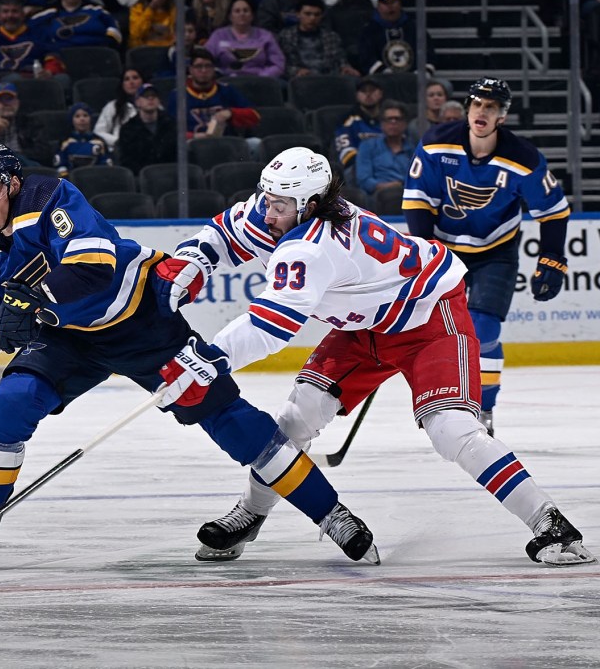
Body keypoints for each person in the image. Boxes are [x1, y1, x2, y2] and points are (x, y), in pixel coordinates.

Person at [0, 140, 380, 570]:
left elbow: (94, 267)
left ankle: (329, 512)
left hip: (142, 319)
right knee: (6, 406)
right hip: (69, 338)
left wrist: (30, 297)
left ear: (12, 183)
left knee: (228, 418)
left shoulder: (50, 197)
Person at [157, 146, 594, 567]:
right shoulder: (281, 209)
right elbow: (222, 232)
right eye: (267, 199)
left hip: (429, 315)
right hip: (365, 325)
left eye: (280, 206)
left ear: (309, 205)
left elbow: (270, 328)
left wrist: (210, 358)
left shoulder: (309, 247)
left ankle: (550, 523)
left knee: (452, 429)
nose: (268, 214)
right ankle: (252, 513)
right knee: (296, 416)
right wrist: (192, 260)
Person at [403, 77, 572, 437]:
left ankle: (483, 410)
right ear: (468, 108)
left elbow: (554, 211)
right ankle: (441, 400)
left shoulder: (523, 159)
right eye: (478, 104)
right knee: (433, 333)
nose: (483, 111)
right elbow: (418, 200)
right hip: (445, 251)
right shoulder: (435, 145)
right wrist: (424, 251)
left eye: (491, 107)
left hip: (496, 250)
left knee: (484, 330)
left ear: (502, 117)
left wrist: (553, 257)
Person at [166, 48, 260, 145]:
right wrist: (193, 136)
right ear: (190, 70)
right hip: (193, 145)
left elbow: (255, 115)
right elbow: (169, 132)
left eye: (208, 66)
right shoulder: (178, 95)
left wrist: (231, 113)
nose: (204, 70)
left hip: (226, 144)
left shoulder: (226, 90)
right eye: (198, 66)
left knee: (255, 143)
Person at [0, 0, 68, 88]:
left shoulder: (38, 33)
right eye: (5, 12)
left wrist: (48, 71)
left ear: (22, 15)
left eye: (15, 11)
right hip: (4, 80)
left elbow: (52, 55)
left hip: (35, 77)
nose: (10, 16)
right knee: (15, 79)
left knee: (63, 79)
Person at [277, 0, 360, 79]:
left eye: (317, 15)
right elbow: (281, 63)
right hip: (300, 80)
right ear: (298, 14)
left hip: (329, 79)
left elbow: (341, 59)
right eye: (307, 14)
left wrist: (346, 67)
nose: (312, 18)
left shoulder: (331, 36)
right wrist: (296, 71)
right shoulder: (285, 36)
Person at [357, 0, 435, 75]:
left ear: (400, 4)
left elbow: (428, 53)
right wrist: (386, 74)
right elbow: (366, 58)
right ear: (378, 7)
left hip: (413, 79)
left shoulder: (413, 28)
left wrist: (421, 73)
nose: (390, 7)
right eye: (385, 3)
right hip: (380, 82)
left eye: (393, 2)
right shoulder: (369, 31)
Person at [354, 99, 413, 209]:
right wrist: (387, 187)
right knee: (391, 196)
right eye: (389, 119)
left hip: (407, 195)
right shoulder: (367, 146)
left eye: (397, 119)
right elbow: (364, 180)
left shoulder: (413, 149)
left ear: (405, 124)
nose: (393, 122)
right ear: (382, 124)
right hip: (378, 196)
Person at [204, 0, 285, 79]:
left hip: (259, 82)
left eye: (245, 11)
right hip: (226, 81)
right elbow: (205, 59)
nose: (242, 14)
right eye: (237, 11)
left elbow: (278, 64)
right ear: (230, 16)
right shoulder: (218, 35)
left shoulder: (265, 36)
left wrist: (263, 77)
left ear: (252, 16)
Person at [30, 0, 123, 51]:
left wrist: (106, 47)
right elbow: (28, 35)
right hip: (61, 60)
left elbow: (115, 30)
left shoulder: (97, 10)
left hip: (96, 57)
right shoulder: (46, 14)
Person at [117, 82, 177, 175]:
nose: (150, 98)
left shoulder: (171, 124)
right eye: (146, 96)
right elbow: (127, 161)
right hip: (141, 178)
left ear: (159, 101)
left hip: (170, 175)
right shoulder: (128, 129)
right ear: (137, 102)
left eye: (154, 96)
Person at [0, 82, 48, 165]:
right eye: (1, 100)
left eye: (9, 99)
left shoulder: (31, 123)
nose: (6, 104)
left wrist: (14, 155)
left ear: (17, 102)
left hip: (25, 165)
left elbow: (44, 153)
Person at [334, 75, 383, 179]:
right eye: (363, 91)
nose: (368, 94)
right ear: (357, 95)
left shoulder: (390, 118)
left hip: (389, 165)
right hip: (358, 167)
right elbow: (346, 153)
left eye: (372, 90)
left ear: (380, 93)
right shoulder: (346, 120)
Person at [53, 102, 112, 178]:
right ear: (72, 120)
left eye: (85, 115)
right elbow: (60, 163)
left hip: (96, 179)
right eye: (77, 116)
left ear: (91, 119)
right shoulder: (65, 142)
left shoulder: (99, 142)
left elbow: (105, 162)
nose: (82, 119)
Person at [92, 68, 143, 151]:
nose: (131, 82)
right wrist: (118, 141)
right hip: (120, 152)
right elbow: (98, 132)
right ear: (122, 84)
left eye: (135, 78)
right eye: (127, 79)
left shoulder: (153, 105)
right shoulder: (113, 106)